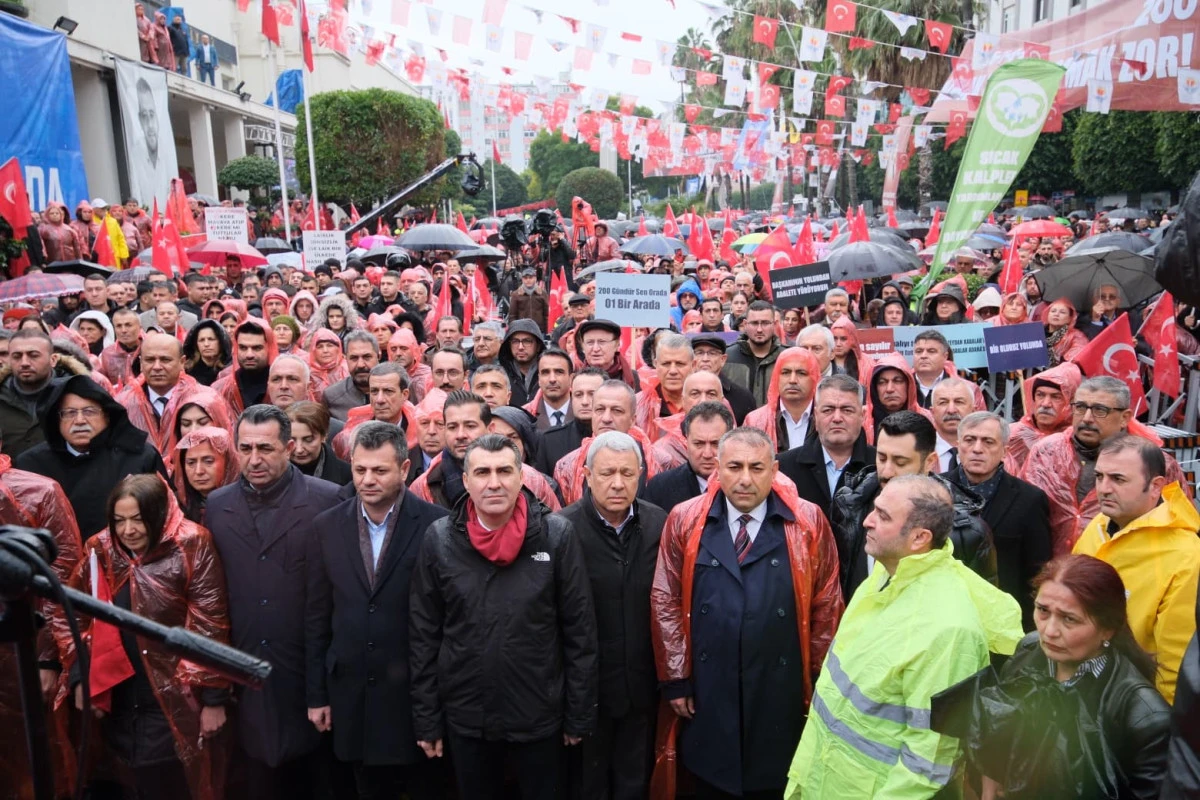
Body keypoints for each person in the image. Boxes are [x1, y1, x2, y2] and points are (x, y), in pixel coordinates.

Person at [786, 474, 1022, 799]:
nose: (867, 520)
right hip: (826, 779)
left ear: (919, 538)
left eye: (883, 516)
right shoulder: (886, 574)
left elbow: (929, 761)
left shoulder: (948, 630)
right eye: (875, 509)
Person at [651, 427, 844, 798]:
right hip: (708, 686)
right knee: (711, 778)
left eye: (756, 468)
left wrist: (820, 681)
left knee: (772, 778)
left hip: (780, 687)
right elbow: (666, 600)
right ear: (717, 470)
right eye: (734, 467)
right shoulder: (684, 519)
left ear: (774, 470)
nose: (744, 479)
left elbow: (826, 604)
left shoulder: (807, 521)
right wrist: (676, 678)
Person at [409, 433, 598, 800]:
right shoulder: (441, 539)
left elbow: (580, 631)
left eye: (504, 471)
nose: (493, 482)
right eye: (482, 472)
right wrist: (427, 718)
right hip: (467, 716)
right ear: (466, 480)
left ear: (521, 476)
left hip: (539, 713)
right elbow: (423, 635)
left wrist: (578, 714)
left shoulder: (555, 535)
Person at [933, 555, 1171, 800]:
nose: (1049, 631)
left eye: (1069, 619)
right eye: (1043, 611)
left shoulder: (1145, 718)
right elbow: (999, 729)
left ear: (1108, 628)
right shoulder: (1029, 652)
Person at [305, 422, 448, 799]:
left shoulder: (435, 527)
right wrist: (317, 694)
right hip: (352, 696)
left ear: (403, 469)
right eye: (360, 469)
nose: (368, 480)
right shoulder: (327, 527)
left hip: (412, 698)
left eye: (380, 470)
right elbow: (318, 617)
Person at [205, 405, 343, 798]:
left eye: (265, 448)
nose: (254, 459)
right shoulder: (217, 505)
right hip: (246, 672)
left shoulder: (327, 500)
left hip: (309, 672)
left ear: (289, 447)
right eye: (245, 448)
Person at [68, 474, 231, 798]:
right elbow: (77, 616)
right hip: (119, 691)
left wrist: (214, 699)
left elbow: (210, 622)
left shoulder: (192, 543)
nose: (128, 530)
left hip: (175, 693)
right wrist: (79, 678)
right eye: (119, 520)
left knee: (172, 777)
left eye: (138, 520)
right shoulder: (100, 548)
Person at [558, 432, 667, 799]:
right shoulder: (561, 530)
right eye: (606, 474)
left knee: (634, 785)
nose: (618, 484)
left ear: (641, 474)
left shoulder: (658, 524)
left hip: (641, 689)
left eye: (627, 473)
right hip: (585, 693)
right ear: (587, 476)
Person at [1071, 435, 1200, 703]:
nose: (1103, 488)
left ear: (1155, 487)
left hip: (1131, 706)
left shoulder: (1186, 556)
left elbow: (1177, 665)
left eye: (1118, 479)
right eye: (1099, 476)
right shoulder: (1098, 526)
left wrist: (1160, 728)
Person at [831, 410, 996, 602]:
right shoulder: (849, 504)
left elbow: (982, 608)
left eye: (900, 462)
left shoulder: (965, 531)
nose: (887, 471)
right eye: (882, 458)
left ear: (930, 462)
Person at [1023, 376, 1190, 556]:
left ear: (1125, 417)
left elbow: (1180, 527)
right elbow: (1023, 511)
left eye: (1099, 410)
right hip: (1050, 573)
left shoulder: (1156, 463)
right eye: (1080, 407)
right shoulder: (1045, 452)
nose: (1086, 418)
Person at [16, 375, 167, 538]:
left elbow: (164, 513)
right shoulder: (30, 465)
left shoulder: (140, 456)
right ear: (56, 419)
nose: (79, 420)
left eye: (89, 411)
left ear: (107, 416)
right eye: (70, 413)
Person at [942, 412, 1052, 630]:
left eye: (988, 442)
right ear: (958, 444)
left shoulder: (1029, 500)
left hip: (1001, 622)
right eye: (970, 440)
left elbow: (1038, 573)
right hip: (944, 614)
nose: (977, 449)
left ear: (1005, 450)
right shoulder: (934, 490)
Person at [410, 390, 559, 511]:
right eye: (452, 427)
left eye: (470, 425)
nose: (460, 435)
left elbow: (555, 534)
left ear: (490, 429)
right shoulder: (423, 487)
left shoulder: (530, 480)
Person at [778, 374, 874, 520]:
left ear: (863, 415)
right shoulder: (783, 468)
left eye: (847, 410)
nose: (837, 418)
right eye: (828, 410)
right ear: (816, 415)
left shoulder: (878, 466)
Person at [554, 381, 662, 506]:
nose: (606, 418)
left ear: (632, 420)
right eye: (600, 409)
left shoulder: (660, 461)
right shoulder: (566, 466)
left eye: (616, 410)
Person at [116, 333, 217, 457]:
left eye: (165, 360)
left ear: (182, 362)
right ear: (141, 363)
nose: (157, 367)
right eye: (150, 360)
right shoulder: (123, 403)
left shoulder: (206, 399)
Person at [643, 401, 735, 526]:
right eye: (698, 444)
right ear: (686, 441)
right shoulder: (660, 488)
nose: (707, 454)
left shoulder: (743, 488)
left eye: (715, 444)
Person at [1004, 362, 1082, 474]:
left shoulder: (1078, 441)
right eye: (1040, 395)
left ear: (1070, 403)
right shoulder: (1013, 434)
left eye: (1056, 397)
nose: (1045, 404)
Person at [331, 363, 418, 460]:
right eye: (374, 391)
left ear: (405, 395)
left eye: (388, 391)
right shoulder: (352, 433)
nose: (379, 400)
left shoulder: (419, 432)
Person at [743, 347, 820, 453]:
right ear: (776, 377)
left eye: (801, 373)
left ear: (814, 378)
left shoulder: (827, 418)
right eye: (785, 372)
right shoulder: (755, 421)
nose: (792, 380)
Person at [533, 367, 605, 478]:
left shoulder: (621, 438)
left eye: (592, 394)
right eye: (578, 395)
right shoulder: (549, 441)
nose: (584, 402)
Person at [172, 424, 239, 525]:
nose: (199, 471)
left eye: (208, 461)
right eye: (191, 463)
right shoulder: (174, 506)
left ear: (228, 462)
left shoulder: (246, 503)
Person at [634, 333, 693, 439]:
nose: (673, 371)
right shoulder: (639, 405)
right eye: (666, 364)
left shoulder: (707, 401)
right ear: (655, 364)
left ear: (693, 365)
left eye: (680, 364)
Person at [212, 320, 277, 415]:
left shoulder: (283, 387)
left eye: (257, 348)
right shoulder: (220, 389)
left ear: (269, 348)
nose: (249, 354)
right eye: (243, 348)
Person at [724, 301, 783, 406]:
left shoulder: (786, 357)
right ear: (745, 324)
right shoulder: (727, 358)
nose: (759, 329)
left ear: (774, 324)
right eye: (754, 323)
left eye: (765, 323)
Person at [690, 333, 755, 424]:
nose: (705, 359)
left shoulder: (742, 397)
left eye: (712, 353)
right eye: (699, 353)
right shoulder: (681, 391)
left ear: (723, 359)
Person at [286, 400, 351, 486]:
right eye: (292, 440)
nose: (299, 449)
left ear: (324, 435)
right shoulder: (271, 473)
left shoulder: (348, 475)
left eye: (308, 440)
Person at [322, 330, 379, 422]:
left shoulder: (396, 389)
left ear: (378, 356)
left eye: (367, 357)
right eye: (354, 358)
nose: (360, 364)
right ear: (345, 359)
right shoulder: (332, 396)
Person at [575, 319, 639, 389]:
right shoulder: (577, 379)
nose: (595, 349)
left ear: (617, 345)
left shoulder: (633, 378)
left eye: (602, 342)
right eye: (590, 342)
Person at [929, 378, 976, 473]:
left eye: (959, 402)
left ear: (973, 411)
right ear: (932, 412)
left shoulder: (988, 453)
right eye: (943, 403)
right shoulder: (919, 451)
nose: (951, 410)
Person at [497, 319, 545, 407]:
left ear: (538, 346)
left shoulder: (548, 373)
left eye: (527, 341)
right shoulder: (499, 375)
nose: (520, 347)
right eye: (515, 342)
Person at [526, 347, 573, 431]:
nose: (552, 379)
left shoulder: (586, 411)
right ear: (539, 379)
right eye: (545, 372)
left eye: (559, 372)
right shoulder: (524, 415)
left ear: (571, 378)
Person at [183, 319, 232, 388]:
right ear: (196, 344)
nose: (206, 344)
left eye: (211, 339)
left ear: (221, 342)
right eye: (201, 340)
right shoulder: (187, 370)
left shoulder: (229, 369)